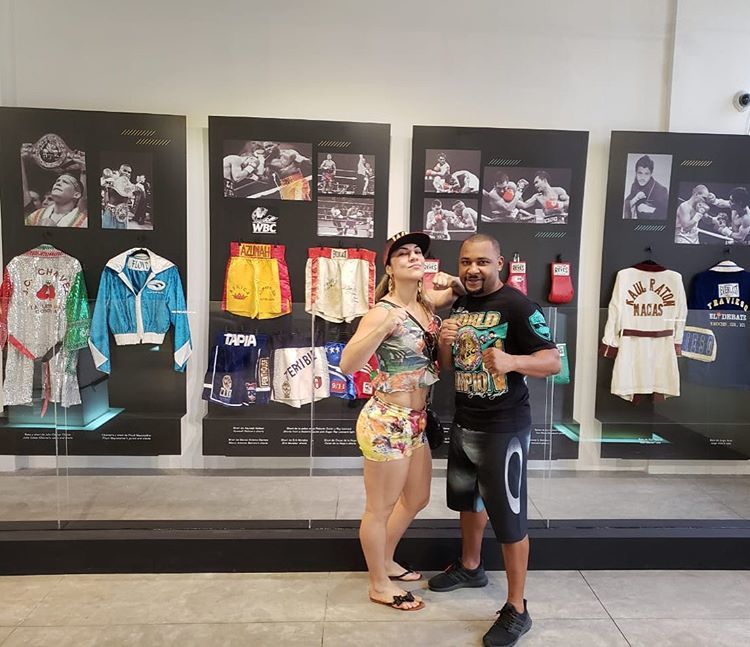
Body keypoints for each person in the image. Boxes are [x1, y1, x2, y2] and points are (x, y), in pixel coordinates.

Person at [429, 234, 561, 647]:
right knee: (468, 503)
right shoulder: (462, 303)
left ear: (499, 263)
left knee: (509, 518)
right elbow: (449, 366)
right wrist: (445, 344)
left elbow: (553, 361)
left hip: (504, 428)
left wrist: (513, 361)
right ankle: (471, 566)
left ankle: (517, 608)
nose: (473, 269)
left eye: (482, 262)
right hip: (466, 421)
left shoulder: (519, 306)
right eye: (466, 261)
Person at [339, 231, 461, 612]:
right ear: (389, 268)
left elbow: (455, 292)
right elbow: (348, 365)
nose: (414, 257)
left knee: (417, 497)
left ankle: (386, 558)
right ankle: (378, 583)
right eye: (403, 254)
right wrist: (382, 327)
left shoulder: (426, 303)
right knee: (379, 507)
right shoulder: (382, 311)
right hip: (387, 421)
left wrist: (453, 284)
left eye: (418, 252)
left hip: (417, 420)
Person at [22, 142, 88, 228]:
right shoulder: (36, 216)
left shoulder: (83, 221)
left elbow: (83, 199)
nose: (59, 183)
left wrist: (84, 170)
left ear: (76, 194)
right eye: (58, 181)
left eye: (65, 182)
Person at [622, 155, 669, 220]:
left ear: (651, 174)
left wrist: (650, 209)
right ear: (636, 173)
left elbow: (667, 213)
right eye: (640, 173)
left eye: (646, 174)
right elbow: (626, 204)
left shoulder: (661, 191)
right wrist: (633, 201)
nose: (642, 177)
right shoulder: (635, 186)